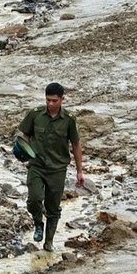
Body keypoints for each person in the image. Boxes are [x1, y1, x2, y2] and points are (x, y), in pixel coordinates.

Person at [18, 82, 83, 253]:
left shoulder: (69, 119)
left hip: (57, 169)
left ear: (62, 99)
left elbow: (76, 144)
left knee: (53, 208)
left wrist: (79, 171)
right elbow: (24, 134)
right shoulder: (35, 114)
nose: (51, 104)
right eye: (48, 100)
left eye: (54, 101)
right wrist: (22, 148)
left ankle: (48, 241)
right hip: (37, 166)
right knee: (34, 199)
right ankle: (38, 223)